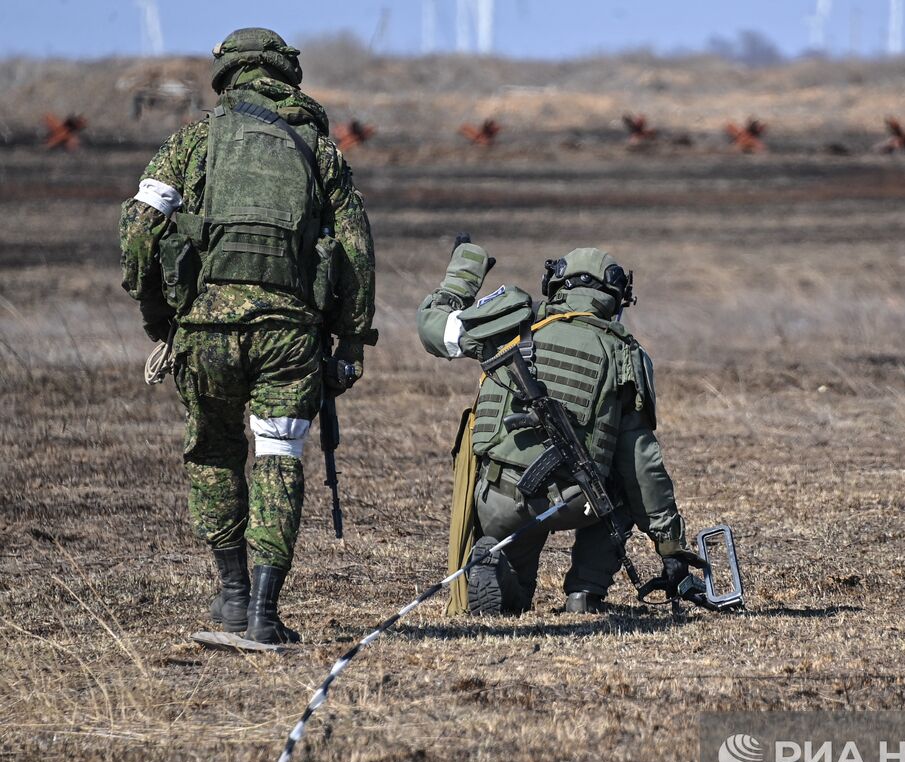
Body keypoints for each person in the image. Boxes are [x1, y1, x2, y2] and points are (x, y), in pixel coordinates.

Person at [118, 27, 376, 643]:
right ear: (287, 75)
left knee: (212, 454)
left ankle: (232, 593)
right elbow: (357, 251)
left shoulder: (193, 140)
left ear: (227, 75)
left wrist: (161, 320)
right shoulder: (319, 149)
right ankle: (263, 612)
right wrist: (349, 345)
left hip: (203, 330)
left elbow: (136, 234)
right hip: (289, 335)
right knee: (278, 456)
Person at [417, 239, 702, 615]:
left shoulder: (510, 324)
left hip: (498, 498)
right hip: (572, 502)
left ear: (553, 285)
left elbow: (433, 329)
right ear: (616, 299)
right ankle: (584, 593)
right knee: (620, 485)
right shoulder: (623, 355)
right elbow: (642, 466)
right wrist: (671, 547)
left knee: (514, 589)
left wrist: (463, 274)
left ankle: (498, 570)